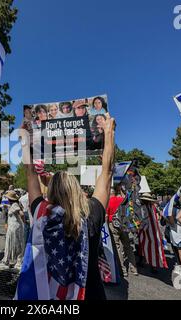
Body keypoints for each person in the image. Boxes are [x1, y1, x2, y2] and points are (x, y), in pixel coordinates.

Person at [17, 112, 115, 300]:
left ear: (51, 191)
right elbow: (108, 172)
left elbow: (30, 172)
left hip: (48, 294)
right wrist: (109, 134)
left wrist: (24, 139)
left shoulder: (40, 212)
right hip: (89, 293)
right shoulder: (91, 211)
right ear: (77, 189)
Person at [107, 187, 138, 277]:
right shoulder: (122, 200)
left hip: (113, 225)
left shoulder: (109, 201)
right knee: (128, 246)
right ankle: (134, 268)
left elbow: (107, 216)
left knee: (117, 247)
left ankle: (123, 270)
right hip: (124, 225)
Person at [0, 190, 25, 269]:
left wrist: (23, 222)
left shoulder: (15, 205)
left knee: (13, 243)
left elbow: (22, 214)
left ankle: (14, 261)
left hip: (14, 227)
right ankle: (11, 261)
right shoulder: (13, 204)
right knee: (12, 243)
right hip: (13, 226)